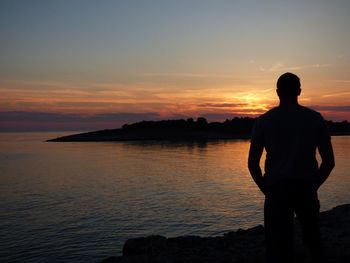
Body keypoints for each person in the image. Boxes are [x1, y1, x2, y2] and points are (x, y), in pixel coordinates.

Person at [248, 73, 335, 263]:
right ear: (299, 91)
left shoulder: (264, 121)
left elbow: (253, 164)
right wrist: (314, 185)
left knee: (278, 246)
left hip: (276, 189)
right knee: (313, 241)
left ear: (277, 92)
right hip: (305, 187)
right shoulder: (314, 119)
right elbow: (329, 162)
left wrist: (266, 189)